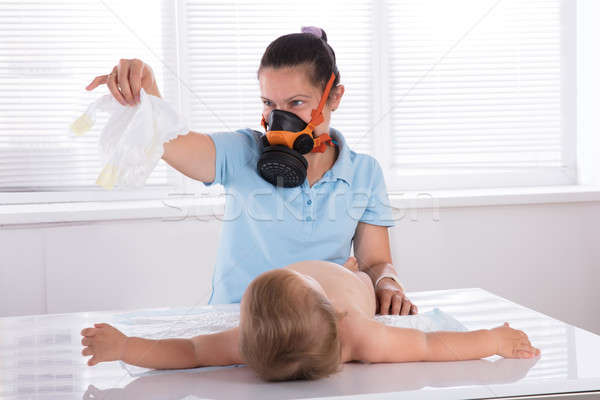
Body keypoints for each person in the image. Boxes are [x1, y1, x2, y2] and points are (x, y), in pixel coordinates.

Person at [85, 26, 416, 316]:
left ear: (335, 97)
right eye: (269, 104)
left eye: (296, 103)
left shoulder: (364, 173)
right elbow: (174, 143)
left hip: (316, 328)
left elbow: (373, 262)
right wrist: (148, 89)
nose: (279, 119)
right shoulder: (243, 151)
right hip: (236, 326)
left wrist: (387, 283)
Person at [80, 256, 541, 381]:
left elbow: (188, 351)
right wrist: (494, 340)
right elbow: (432, 346)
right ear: (332, 312)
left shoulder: (251, 340)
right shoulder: (357, 330)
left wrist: (127, 348)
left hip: (331, 286)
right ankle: (349, 273)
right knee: (356, 275)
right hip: (354, 284)